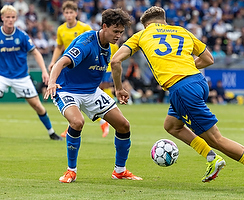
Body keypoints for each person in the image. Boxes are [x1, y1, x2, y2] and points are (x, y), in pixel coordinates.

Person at [111, 6, 244, 191]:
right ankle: (211, 158)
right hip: (198, 82)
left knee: (216, 139)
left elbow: (115, 61)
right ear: (164, 20)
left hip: (181, 89)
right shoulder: (182, 31)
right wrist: (188, 68)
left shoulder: (142, 35)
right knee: (172, 125)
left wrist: (118, 88)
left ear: (146, 24)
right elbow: (208, 59)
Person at [44, 8, 142, 183]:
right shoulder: (87, 42)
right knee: (77, 122)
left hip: (91, 91)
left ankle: (120, 171)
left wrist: (119, 89)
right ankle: (70, 171)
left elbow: (114, 67)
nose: (118, 35)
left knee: (124, 125)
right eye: (115, 31)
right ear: (104, 26)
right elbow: (61, 62)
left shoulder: (109, 47)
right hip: (67, 89)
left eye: (121, 32)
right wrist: (52, 82)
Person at [48, 1, 109, 138]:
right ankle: (76, 125)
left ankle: (101, 121)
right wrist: (53, 61)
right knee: (73, 97)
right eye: (66, 12)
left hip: (84, 67)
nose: (69, 15)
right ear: (63, 14)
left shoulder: (84, 28)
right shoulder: (61, 29)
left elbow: (94, 44)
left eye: (71, 12)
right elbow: (59, 46)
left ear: (76, 13)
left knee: (84, 94)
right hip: (68, 67)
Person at [0, 5, 62, 141]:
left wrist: (44, 71)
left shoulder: (21, 35)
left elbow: (35, 53)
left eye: (13, 17)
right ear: (2, 18)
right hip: (2, 76)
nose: (10, 20)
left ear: (16, 19)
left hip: (22, 77)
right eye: (8, 17)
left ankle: (51, 132)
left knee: (37, 106)